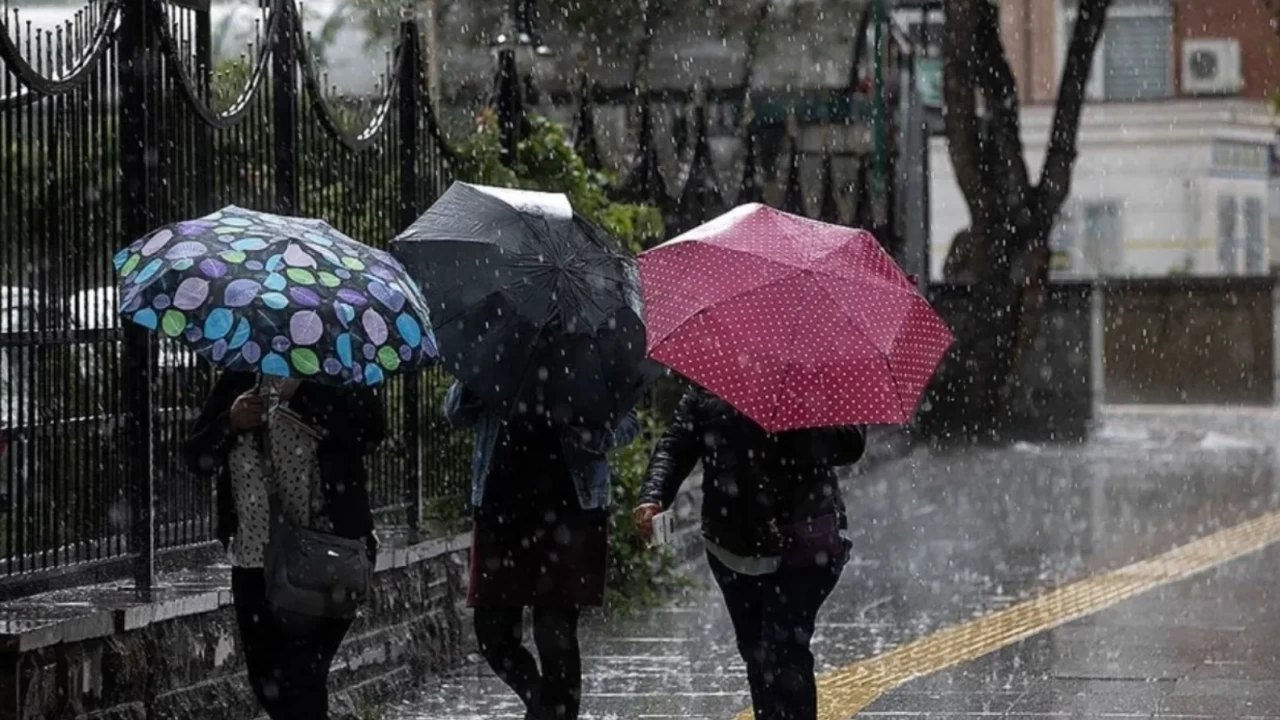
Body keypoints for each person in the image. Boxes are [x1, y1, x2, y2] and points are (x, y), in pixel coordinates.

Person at [634, 383, 864, 720]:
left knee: (786, 650)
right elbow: (676, 445)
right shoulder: (711, 383)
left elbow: (851, 443)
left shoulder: (818, 376)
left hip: (803, 540)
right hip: (731, 543)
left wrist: (795, 422)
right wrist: (653, 495)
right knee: (756, 653)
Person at [183, 371, 384, 720]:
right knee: (266, 681)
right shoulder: (242, 376)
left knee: (302, 675)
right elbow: (196, 457)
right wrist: (230, 422)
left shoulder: (336, 372)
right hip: (254, 560)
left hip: (325, 558)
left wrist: (304, 393)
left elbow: (371, 432)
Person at [445, 382, 639, 720]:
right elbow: (456, 414)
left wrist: (589, 435)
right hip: (500, 509)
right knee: (493, 635)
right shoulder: (496, 355)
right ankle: (544, 710)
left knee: (555, 635)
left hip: (570, 510)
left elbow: (628, 423)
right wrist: (473, 382)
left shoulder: (588, 355)